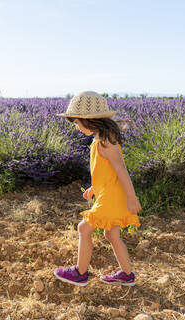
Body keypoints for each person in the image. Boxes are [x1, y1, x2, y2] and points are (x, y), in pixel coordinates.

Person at [54, 91, 141, 287]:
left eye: (77, 123)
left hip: (112, 196)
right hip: (108, 193)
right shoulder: (100, 138)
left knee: (83, 228)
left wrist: (132, 198)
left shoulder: (106, 141)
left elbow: (121, 170)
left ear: (89, 120)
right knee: (111, 235)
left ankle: (80, 273)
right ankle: (127, 275)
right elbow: (106, 170)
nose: (76, 127)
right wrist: (94, 187)